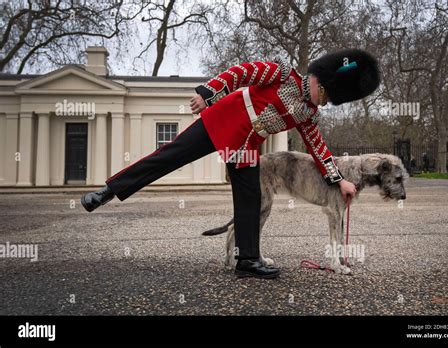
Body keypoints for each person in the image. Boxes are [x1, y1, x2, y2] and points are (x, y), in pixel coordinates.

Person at [81, 48, 380, 279]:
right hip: (221, 122)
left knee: (250, 199)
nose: (322, 101)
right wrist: (207, 92)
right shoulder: (281, 74)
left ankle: (247, 259)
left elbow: (318, 147)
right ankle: (108, 191)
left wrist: (339, 180)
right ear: (318, 77)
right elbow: (242, 73)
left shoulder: (309, 113)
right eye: (325, 93)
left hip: (246, 145)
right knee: (167, 158)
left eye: (329, 99)